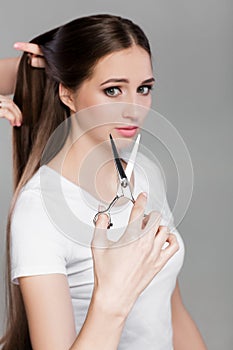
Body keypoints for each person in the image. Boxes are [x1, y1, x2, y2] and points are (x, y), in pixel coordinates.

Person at [0, 14, 207, 350]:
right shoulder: (39, 210)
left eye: (143, 89)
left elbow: (174, 314)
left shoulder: (145, 172)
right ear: (67, 93)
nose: (134, 109)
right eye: (113, 90)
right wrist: (112, 298)